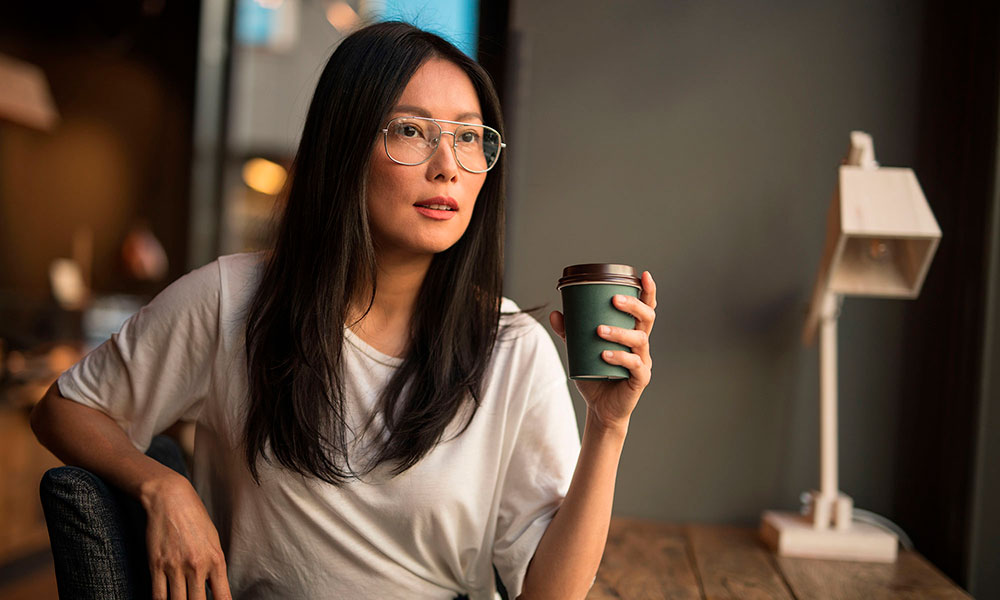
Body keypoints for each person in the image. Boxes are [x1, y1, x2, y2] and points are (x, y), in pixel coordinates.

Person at [31, 21, 656, 600]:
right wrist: (161, 484)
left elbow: (551, 593)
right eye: (412, 130)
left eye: (469, 137)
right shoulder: (234, 301)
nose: (448, 167)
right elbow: (65, 409)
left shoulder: (511, 347)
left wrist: (608, 426)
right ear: (345, 145)